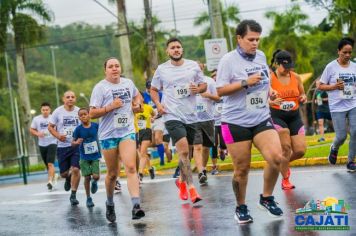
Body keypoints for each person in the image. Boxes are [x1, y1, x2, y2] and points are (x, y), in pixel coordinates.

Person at [216, 20, 284, 224]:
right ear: (239, 39)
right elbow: (219, 91)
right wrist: (245, 82)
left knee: (277, 158)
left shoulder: (261, 56)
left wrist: (270, 92)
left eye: (258, 39)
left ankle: (266, 197)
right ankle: (241, 206)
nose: (255, 43)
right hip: (234, 121)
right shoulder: (228, 61)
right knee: (241, 169)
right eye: (250, 39)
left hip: (260, 117)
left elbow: (264, 80)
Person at [150, 37, 207, 203]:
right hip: (171, 114)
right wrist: (158, 104)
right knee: (183, 152)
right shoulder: (162, 69)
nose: (176, 50)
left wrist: (198, 89)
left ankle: (181, 182)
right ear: (167, 51)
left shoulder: (193, 66)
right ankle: (191, 188)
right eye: (172, 47)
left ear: (182, 50)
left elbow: (203, 85)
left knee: (186, 154)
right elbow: (154, 90)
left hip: (190, 115)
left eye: (178, 47)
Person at [89, 57, 145, 222]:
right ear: (105, 70)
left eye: (117, 66)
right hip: (108, 135)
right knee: (112, 174)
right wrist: (110, 107)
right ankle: (110, 202)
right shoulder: (100, 88)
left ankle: (136, 205)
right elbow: (92, 113)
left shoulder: (128, 83)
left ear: (120, 68)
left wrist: (137, 105)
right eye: (111, 66)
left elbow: (138, 96)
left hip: (126, 131)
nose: (114, 69)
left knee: (131, 167)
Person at [269, 50, 307, 190]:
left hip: (294, 115)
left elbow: (302, 93)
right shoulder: (270, 78)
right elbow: (261, 99)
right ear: (277, 64)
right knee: (286, 148)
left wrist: (303, 97)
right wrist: (270, 101)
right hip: (277, 115)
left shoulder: (296, 77)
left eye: (289, 66)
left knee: (300, 150)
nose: (287, 69)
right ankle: (285, 179)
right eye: (284, 67)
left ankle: (283, 164)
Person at [318, 37, 356, 172]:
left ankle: (351, 161)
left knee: (355, 132)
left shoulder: (354, 66)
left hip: (353, 104)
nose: (347, 55)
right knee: (341, 136)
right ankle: (334, 148)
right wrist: (334, 86)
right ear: (338, 51)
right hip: (337, 106)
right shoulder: (331, 67)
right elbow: (320, 86)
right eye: (345, 52)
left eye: (350, 52)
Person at [48, 91, 81, 205]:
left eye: (72, 97)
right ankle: (67, 178)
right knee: (63, 173)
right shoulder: (58, 111)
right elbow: (50, 127)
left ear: (75, 99)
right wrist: (58, 136)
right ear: (63, 99)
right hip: (62, 146)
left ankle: (73, 195)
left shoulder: (79, 111)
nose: (70, 99)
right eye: (68, 97)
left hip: (76, 145)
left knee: (76, 169)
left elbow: (86, 124)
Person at [193, 62, 221, 183]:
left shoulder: (209, 81)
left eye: (199, 68)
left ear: (202, 68)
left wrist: (208, 95)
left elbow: (219, 97)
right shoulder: (188, 83)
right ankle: (201, 172)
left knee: (206, 147)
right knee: (197, 146)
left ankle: (203, 168)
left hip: (208, 119)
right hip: (193, 120)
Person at [72, 108, 101, 208]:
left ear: (89, 115)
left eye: (85, 114)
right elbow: (72, 142)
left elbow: (103, 133)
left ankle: (95, 182)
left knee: (96, 176)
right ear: (79, 117)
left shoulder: (96, 126)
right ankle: (88, 198)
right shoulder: (78, 129)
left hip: (95, 155)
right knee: (87, 177)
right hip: (84, 156)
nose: (83, 116)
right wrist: (76, 142)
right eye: (81, 115)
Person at [30, 102, 58, 190]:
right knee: (47, 165)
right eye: (43, 110)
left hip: (52, 142)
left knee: (50, 164)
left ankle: (49, 181)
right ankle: (54, 175)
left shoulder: (53, 118)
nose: (45, 111)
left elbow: (59, 127)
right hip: (42, 144)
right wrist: (38, 133)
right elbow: (31, 129)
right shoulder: (36, 119)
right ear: (41, 110)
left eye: (47, 110)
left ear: (50, 110)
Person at [144, 80, 166, 166]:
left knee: (158, 139)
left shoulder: (159, 94)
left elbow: (163, 107)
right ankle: (164, 148)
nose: (151, 90)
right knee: (151, 143)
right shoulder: (143, 96)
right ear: (147, 88)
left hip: (158, 118)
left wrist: (155, 117)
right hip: (148, 120)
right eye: (149, 88)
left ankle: (162, 159)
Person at [135, 97, 156, 181]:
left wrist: (153, 118)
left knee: (143, 153)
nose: (137, 100)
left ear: (143, 99)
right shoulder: (133, 108)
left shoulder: (148, 107)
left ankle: (140, 174)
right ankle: (150, 168)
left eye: (139, 98)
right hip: (137, 132)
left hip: (146, 131)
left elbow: (155, 114)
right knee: (142, 153)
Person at [211, 69, 228, 168]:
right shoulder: (210, 90)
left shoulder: (225, 89)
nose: (215, 78)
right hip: (213, 122)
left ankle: (222, 149)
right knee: (213, 144)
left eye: (217, 76)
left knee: (224, 143)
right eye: (213, 76)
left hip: (224, 121)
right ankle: (214, 165)